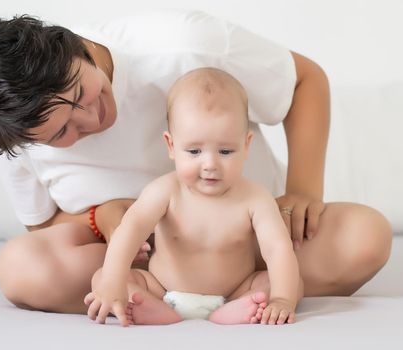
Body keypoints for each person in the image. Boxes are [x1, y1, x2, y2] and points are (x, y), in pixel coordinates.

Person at [0, 10, 392, 315]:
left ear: (75, 44)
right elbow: (41, 226)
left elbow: (305, 80)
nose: (92, 119)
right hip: (136, 259)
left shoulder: (184, 45)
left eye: (79, 93)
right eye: (62, 135)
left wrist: (303, 191)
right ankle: (145, 297)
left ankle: (253, 289)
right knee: (20, 267)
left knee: (365, 236)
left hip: (250, 243)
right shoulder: (16, 132)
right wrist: (99, 217)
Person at [85, 67, 302, 326]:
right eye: (194, 151)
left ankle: (237, 310)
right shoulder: (163, 191)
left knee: (287, 282)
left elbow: (277, 249)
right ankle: (151, 308)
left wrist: (282, 299)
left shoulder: (256, 198)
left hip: (234, 292)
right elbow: (129, 230)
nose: (210, 164)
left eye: (225, 151)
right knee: (103, 277)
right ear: (171, 146)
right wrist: (112, 283)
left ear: (246, 146)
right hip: (162, 289)